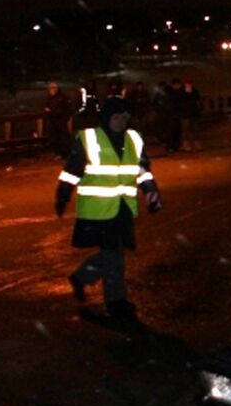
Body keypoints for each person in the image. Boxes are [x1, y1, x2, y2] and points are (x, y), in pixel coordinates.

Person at [55, 96, 162, 321]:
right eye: (116, 117)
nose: (121, 122)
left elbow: (142, 170)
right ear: (106, 118)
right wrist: (63, 195)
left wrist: (151, 191)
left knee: (113, 254)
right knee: (114, 256)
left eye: (125, 117)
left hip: (122, 208)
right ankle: (115, 302)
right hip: (98, 209)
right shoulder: (89, 138)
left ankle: (83, 277)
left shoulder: (134, 139)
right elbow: (72, 170)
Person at [43, 83, 74, 158]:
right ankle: (58, 153)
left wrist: (65, 118)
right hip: (53, 121)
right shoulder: (49, 98)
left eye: (53, 88)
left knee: (63, 137)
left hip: (61, 120)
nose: (51, 89)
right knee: (54, 138)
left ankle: (65, 153)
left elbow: (68, 109)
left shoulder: (63, 97)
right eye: (50, 88)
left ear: (57, 88)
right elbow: (46, 107)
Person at [181, 78, 203, 151]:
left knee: (196, 129)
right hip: (186, 114)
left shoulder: (194, 91)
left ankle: (197, 144)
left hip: (194, 113)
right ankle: (186, 145)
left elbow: (198, 100)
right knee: (186, 130)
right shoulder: (182, 91)